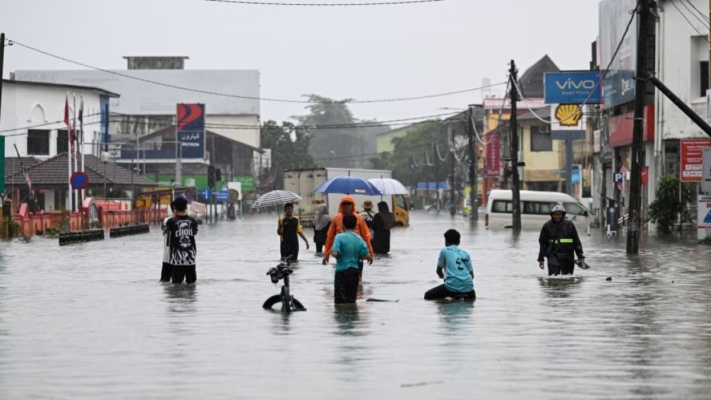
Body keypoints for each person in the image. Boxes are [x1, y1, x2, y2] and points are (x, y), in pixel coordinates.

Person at [322, 196, 374, 279]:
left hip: (356, 251)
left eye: (349, 204)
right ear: (341, 205)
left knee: (358, 277)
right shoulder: (336, 219)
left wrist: (370, 253)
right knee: (342, 275)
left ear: (352, 205)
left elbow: (366, 236)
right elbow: (330, 237)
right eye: (344, 204)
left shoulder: (359, 218)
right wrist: (326, 254)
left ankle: (358, 290)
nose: (346, 206)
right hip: (342, 253)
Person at [331, 214, 373, 304]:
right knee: (352, 300)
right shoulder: (359, 239)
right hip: (354, 272)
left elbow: (335, 253)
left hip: (342, 272)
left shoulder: (339, 237)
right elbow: (367, 255)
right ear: (355, 225)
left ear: (343, 224)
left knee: (340, 301)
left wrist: (334, 252)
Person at [424, 229, 475, 300]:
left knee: (428, 296)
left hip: (452, 286)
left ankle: (443, 308)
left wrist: (443, 277)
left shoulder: (444, 251)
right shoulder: (466, 254)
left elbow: (439, 270)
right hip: (469, 289)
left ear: (446, 242)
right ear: (459, 242)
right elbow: (472, 275)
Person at [537, 204, 585, 276]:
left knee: (568, 277)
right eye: (555, 215)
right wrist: (541, 259)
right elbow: (542, 243)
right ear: (551, 215)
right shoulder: (547, 226)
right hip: (552, 255)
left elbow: (576, 241)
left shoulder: (569, 225)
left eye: (559, 214)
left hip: (568, 255)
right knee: (553, 277)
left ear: (563, 214)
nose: (556, 216)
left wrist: (580, 256)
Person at [165, 197, 199, 284]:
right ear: (186, 207)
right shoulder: (193, 221)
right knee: (191, 286)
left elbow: (166, 233)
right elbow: (195, 232)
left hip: (176, 260)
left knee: (176, 287)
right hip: (190, 259)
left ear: (174, 207)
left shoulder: (170, 222)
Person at [160, 200, 176, 282]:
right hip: (177, 258)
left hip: (166, 256)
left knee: (164, 281)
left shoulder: (166, 220)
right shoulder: (170, 221)